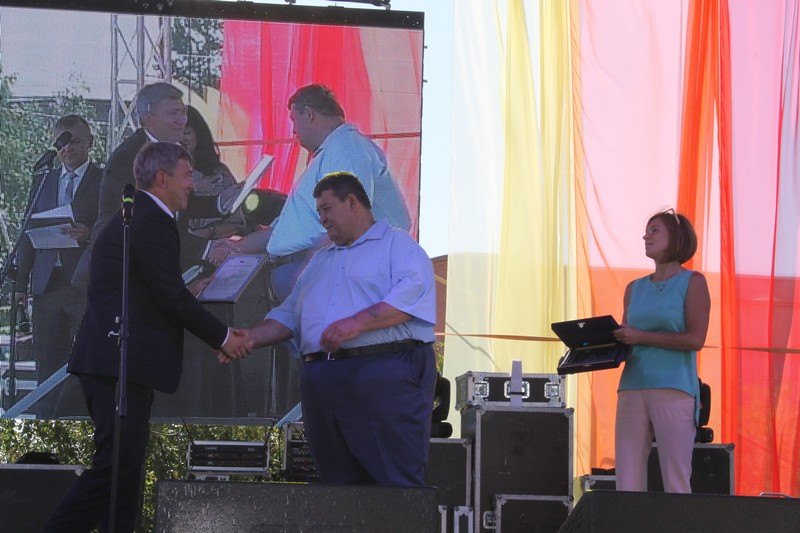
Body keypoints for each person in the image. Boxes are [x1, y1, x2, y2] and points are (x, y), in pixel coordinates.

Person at [44, 142, 252, 533]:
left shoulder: (145, 217)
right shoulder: (149, 219)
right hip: (116, 359)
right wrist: (224, 337)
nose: (192, 185)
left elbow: (150, 290)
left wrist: (187, 292)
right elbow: (168, 296)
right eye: (186, 176)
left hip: (119, 360)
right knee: (115, 468)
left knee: (125, 473)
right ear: (161, 178)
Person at [243, 171, 436, 486]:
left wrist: (355, 324)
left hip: (381, 371)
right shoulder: (321, 260)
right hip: (321, 379)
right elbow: (290, 314)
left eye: (327, 209)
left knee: (394, 483)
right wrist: (249, 337)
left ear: (352, 202)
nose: (322, 219)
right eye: (319, 212)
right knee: (337, 486)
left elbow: (408, 300)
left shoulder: (398, 245)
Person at [210, 84, 411, 302]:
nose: (293, 131)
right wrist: (237, 248)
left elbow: (347, 221)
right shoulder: (333, 152)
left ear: (309, 114)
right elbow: (282, 233)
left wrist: (309, 274)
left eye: (293, 120)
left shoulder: (346, 147)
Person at [75, 83, 231, 285]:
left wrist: (221, 202)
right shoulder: (128, 158)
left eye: (182, 113)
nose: (181, 121)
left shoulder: (172, 151)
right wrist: (206, 248)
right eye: (172, 113)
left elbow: (179, 203)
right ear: (148, 117)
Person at [613, 208, 711, 493]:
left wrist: (640, 336)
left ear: (676, 236)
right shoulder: (634, 288)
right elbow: (627, 337)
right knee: (627, 478)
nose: (646, 236)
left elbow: (695, 339)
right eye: (646, 231)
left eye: (654, 230)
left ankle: (678, 518)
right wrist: (593, 347)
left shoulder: (693, 282)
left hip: (674, 388)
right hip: (631, 387)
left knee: (675, 477)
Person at [14, 114, 102, 417]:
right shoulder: (44, 180)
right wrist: (20, 283)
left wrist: (89, 233)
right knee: (47, 361)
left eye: (74, 141)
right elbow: (27, 231)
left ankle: (80, 419)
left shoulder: (103, 179)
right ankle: (46, 420)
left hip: (85, 283)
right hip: (47, 284)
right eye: (61, 142)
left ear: (90, 142)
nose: (67, 148)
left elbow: (115, 224)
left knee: (87, 357)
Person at [178, 105, 249, 270]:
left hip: (222, 250)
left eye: (186, 133)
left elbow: (237, 223)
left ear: (199, 135)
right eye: (177, 132)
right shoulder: (165, 174)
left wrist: (210, 232)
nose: (181, 138)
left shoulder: (219, 173)